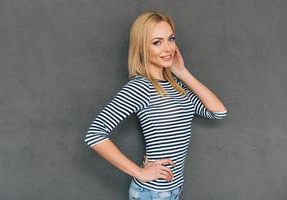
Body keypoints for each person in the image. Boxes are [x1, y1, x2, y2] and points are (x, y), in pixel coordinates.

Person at [84, 10, 227, 200]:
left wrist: (182, 72)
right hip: (151, 192)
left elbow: (218, 112)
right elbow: (94, 134)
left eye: (171, 39)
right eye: (157, 42)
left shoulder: (177, 87)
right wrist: (139, 172)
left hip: (173, 189)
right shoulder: (140, 87)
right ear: (142, 48)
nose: (167, 48)